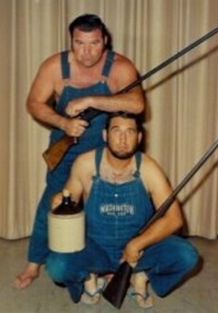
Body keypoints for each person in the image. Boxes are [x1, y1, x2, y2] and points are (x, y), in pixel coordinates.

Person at [14, 14, 145, 289]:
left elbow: (137, 105)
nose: (87, 51)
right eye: (80, 43)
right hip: (67, 147)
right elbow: (34, 104)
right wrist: (64, 123)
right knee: (52, 201)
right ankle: (33, 263)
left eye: (94, 43)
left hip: (109, 149)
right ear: (71, 41)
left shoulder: (120, 66)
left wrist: (91, 100)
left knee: (110, 207)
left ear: (104, 40)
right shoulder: (54, 66)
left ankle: (111, 264)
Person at [45, 112, 199, 308]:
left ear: (139, 138)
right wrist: (59, 204)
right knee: (57, 266)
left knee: (187, 256)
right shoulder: (85, 163)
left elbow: (174, 219)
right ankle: (88, 277)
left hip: (139, 251)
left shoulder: (149, 169)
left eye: (130, 132)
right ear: (105, 135)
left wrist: (137, 244)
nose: (123, 139)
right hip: (95, 247)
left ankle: (140, 276)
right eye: (116, 131)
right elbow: (69, 202)